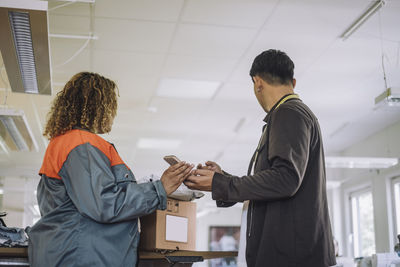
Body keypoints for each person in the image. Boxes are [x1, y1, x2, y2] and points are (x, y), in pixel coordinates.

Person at [185, 49, 336, 267]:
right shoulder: (293, 114)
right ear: (292, 81)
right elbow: (274, 182)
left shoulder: (289, 113)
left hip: (289, 256)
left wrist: (220, 183)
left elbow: (285, 179)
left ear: (257, 82)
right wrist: (222, 178)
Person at [27, 72, 193, 267]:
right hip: (82, 256)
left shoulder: (67, 142)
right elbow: (104, 204)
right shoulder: (81, 145)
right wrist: (159, 189)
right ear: (101, 106)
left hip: (73, 252)